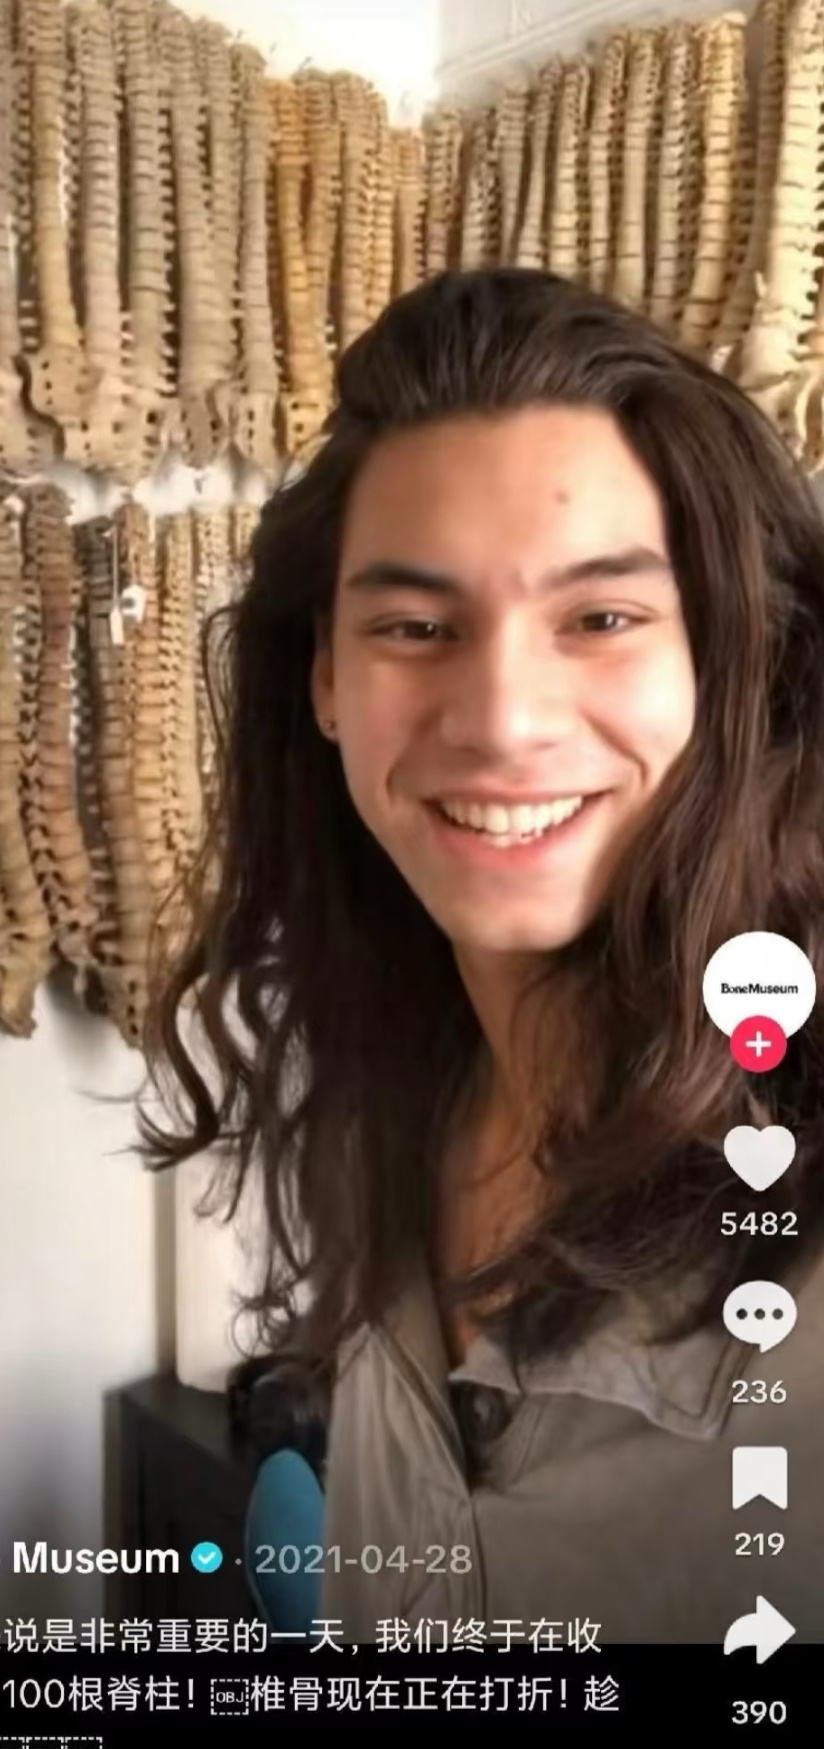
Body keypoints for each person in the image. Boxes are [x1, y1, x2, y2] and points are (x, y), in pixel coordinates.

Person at [136, 268, 824, 1644]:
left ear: (731, 662)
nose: (503, 718)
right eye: (416, 627)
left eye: (602, 618)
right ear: (326, 679)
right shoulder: (397, 1101)